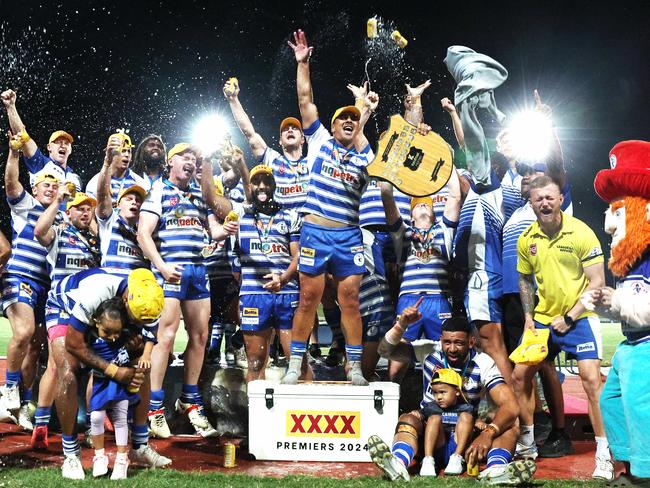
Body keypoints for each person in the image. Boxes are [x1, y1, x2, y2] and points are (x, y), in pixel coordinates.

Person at [282, 29, 378, 386]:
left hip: (348, 235)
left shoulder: (365, 155)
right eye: (343, 119)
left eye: (354, 119)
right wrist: (303, 62)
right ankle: (295, 363)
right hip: (315, 232)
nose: (349, 122)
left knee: (349, 299)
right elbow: (305, 99)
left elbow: (386, 160)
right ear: (333, 125)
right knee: (309, 297)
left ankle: (353, 366)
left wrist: (365, 111)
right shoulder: (319, 140)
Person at [512, 176, 613, 480]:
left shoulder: (581, 232)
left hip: (579, 317)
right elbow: (524, 279)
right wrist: (529, 317)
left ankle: (604, 452)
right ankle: (527, 443)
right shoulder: (527, 239)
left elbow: (598, 284)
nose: (544, 203)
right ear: (531, 203)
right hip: (544, 318)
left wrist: (570, 316)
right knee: (520, 375)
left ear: (559, 200)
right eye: (538, 198)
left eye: (549, 197)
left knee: (591, 380)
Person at [370, 312, 534, 485]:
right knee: (407, 419)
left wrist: (488, 432)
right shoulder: (429, 352)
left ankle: (495, 471)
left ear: (471, 342)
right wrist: (400, 325)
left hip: (466, 437)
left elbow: (511, 406)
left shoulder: (483, 362)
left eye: (459, 343)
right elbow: (384, 351)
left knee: (510, 426)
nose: (452, 349)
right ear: (440, 340)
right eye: (447, 342)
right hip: (432, 437)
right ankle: (398, 464)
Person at [138, 143, 231, 438]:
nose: (191, 163)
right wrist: (162, 266)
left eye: (195, 159)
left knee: (200, 336)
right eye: (186, 159)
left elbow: (213, 227)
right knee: (165, 336)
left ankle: (189, 400)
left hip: (196, 269)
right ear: (171, 162)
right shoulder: (158, 190)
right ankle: (154, 408)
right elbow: (144, 233)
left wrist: (225, 231)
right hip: (171, 270)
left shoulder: (197, 195)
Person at [500, 91, 574, 459]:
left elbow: (556, 163)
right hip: (514, 297)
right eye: (525, 175)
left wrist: (547, 123)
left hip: (545, 299)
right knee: (522, 369)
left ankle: (560, 430)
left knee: (545, 366)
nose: (529, 177)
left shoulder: (552, 197)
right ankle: (528, 438)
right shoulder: (516, 210)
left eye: (535, 173)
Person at [45, 267, 168, 479]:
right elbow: (74, 345)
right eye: (136, 319)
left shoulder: (150, 299)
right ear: (127, 300)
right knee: (67, 373)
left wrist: (135, 349)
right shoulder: (96, 292)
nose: (139, 325)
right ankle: (71, 454)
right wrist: (115, 371)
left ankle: (139, 446)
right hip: (65, 309)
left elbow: (146, 339)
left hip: (104, 314)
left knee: (142, 364)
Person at [584, 140, 650, 485]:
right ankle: (626, 463)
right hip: (632, 344)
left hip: (649, 346)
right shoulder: (630, 261)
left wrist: (617, 303)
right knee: (611, 400)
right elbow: (627, 309)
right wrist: (607, 306)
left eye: (618, 211)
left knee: (641, 405)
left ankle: (645, 473)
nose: (609, 224)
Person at [202, 164, 303, 382]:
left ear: (274, 185)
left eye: (267, 181)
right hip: (253, 295)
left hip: (287, 292)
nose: (262, 187)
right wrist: (207, 161)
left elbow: (298, 257)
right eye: (257, 182)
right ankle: (257, 417)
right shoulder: (238, 214)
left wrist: (283, 279)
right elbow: (211, 198)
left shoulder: (289, 216)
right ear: (250, 187)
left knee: (299, 364)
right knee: (256, 363)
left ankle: (304, 414)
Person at [0, 135, 60, 431]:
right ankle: (8, 387)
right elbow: (11, 183)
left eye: (54, 184)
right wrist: (14, 154)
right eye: (44, 184)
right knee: (23, 332)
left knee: (35, 348)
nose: (50, 187)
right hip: (20, 277)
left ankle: (23, 403)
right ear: (34, 189)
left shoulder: (60, 216)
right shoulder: (25, 205)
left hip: (44, 287)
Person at [381, 165, 461, 382]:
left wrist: (446, 161)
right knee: (397, 362)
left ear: (435, 214)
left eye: (428, 204)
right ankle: (394, 404)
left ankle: (444, 408)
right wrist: (389, 165)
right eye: (418, 205)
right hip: (409, 299)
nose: (424, 205)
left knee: (445, 360)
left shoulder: (443, 231)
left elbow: (455, 194)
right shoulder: (403, 233)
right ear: (411, 215)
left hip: (440, 300)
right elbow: (387, 196)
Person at [87, 298, 154, 480]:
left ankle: (122, 459)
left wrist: (146, 353)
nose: (112, 337)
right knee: (95, 417)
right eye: (107, 331)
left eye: (117, 332)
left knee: (120, 419)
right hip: (101, 383)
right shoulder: (90, 337)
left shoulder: (124, 336)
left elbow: (150, 335)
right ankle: (99, 456)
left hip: (121, 384)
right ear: (96, 320)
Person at [223, 77, 309, 210]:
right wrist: (233, 100)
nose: (290, 130)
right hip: (280, 227)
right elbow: (249, 133)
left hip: (310, 228)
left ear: (303, 139)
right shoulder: (272, 159)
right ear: (280, 141)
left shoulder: (313, 162)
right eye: (285, 129)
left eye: (295, 128)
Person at [1, 89, 81, 189]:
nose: (63, 145)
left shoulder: (74, 177)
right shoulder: (41, 163)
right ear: (49, 147)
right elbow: (22, 136)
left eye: (66, 143)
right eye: (58, 142)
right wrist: (10, 107)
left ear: (70, 149)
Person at [96, 143, 148, 277]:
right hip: (110, 282)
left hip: (137, 287)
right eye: (129, 199)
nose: (134, 202)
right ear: (118, 205)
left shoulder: (145, 231)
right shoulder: (109, 221)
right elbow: (102, 195)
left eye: (138, 200)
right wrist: (107, 162)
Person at [419, 368, 475, 477]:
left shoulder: (466, 408)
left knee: (466, 417)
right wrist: (416, 414)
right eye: (435, 392)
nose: (438, 397)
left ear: (457, 391)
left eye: (443, 392)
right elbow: (420, 415)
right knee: (434, 418)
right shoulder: (431, 407)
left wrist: (479, 422)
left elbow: (474, 422)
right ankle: (428, 460)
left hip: (457, 445)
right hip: (439, 446)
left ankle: (457, 458)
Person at [85, 132, 150, 200]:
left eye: (129, 151)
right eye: (123, 151)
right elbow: (91, 209)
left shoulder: (140, 183)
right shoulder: (95, 183)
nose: (127, 155)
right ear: (110, 154)